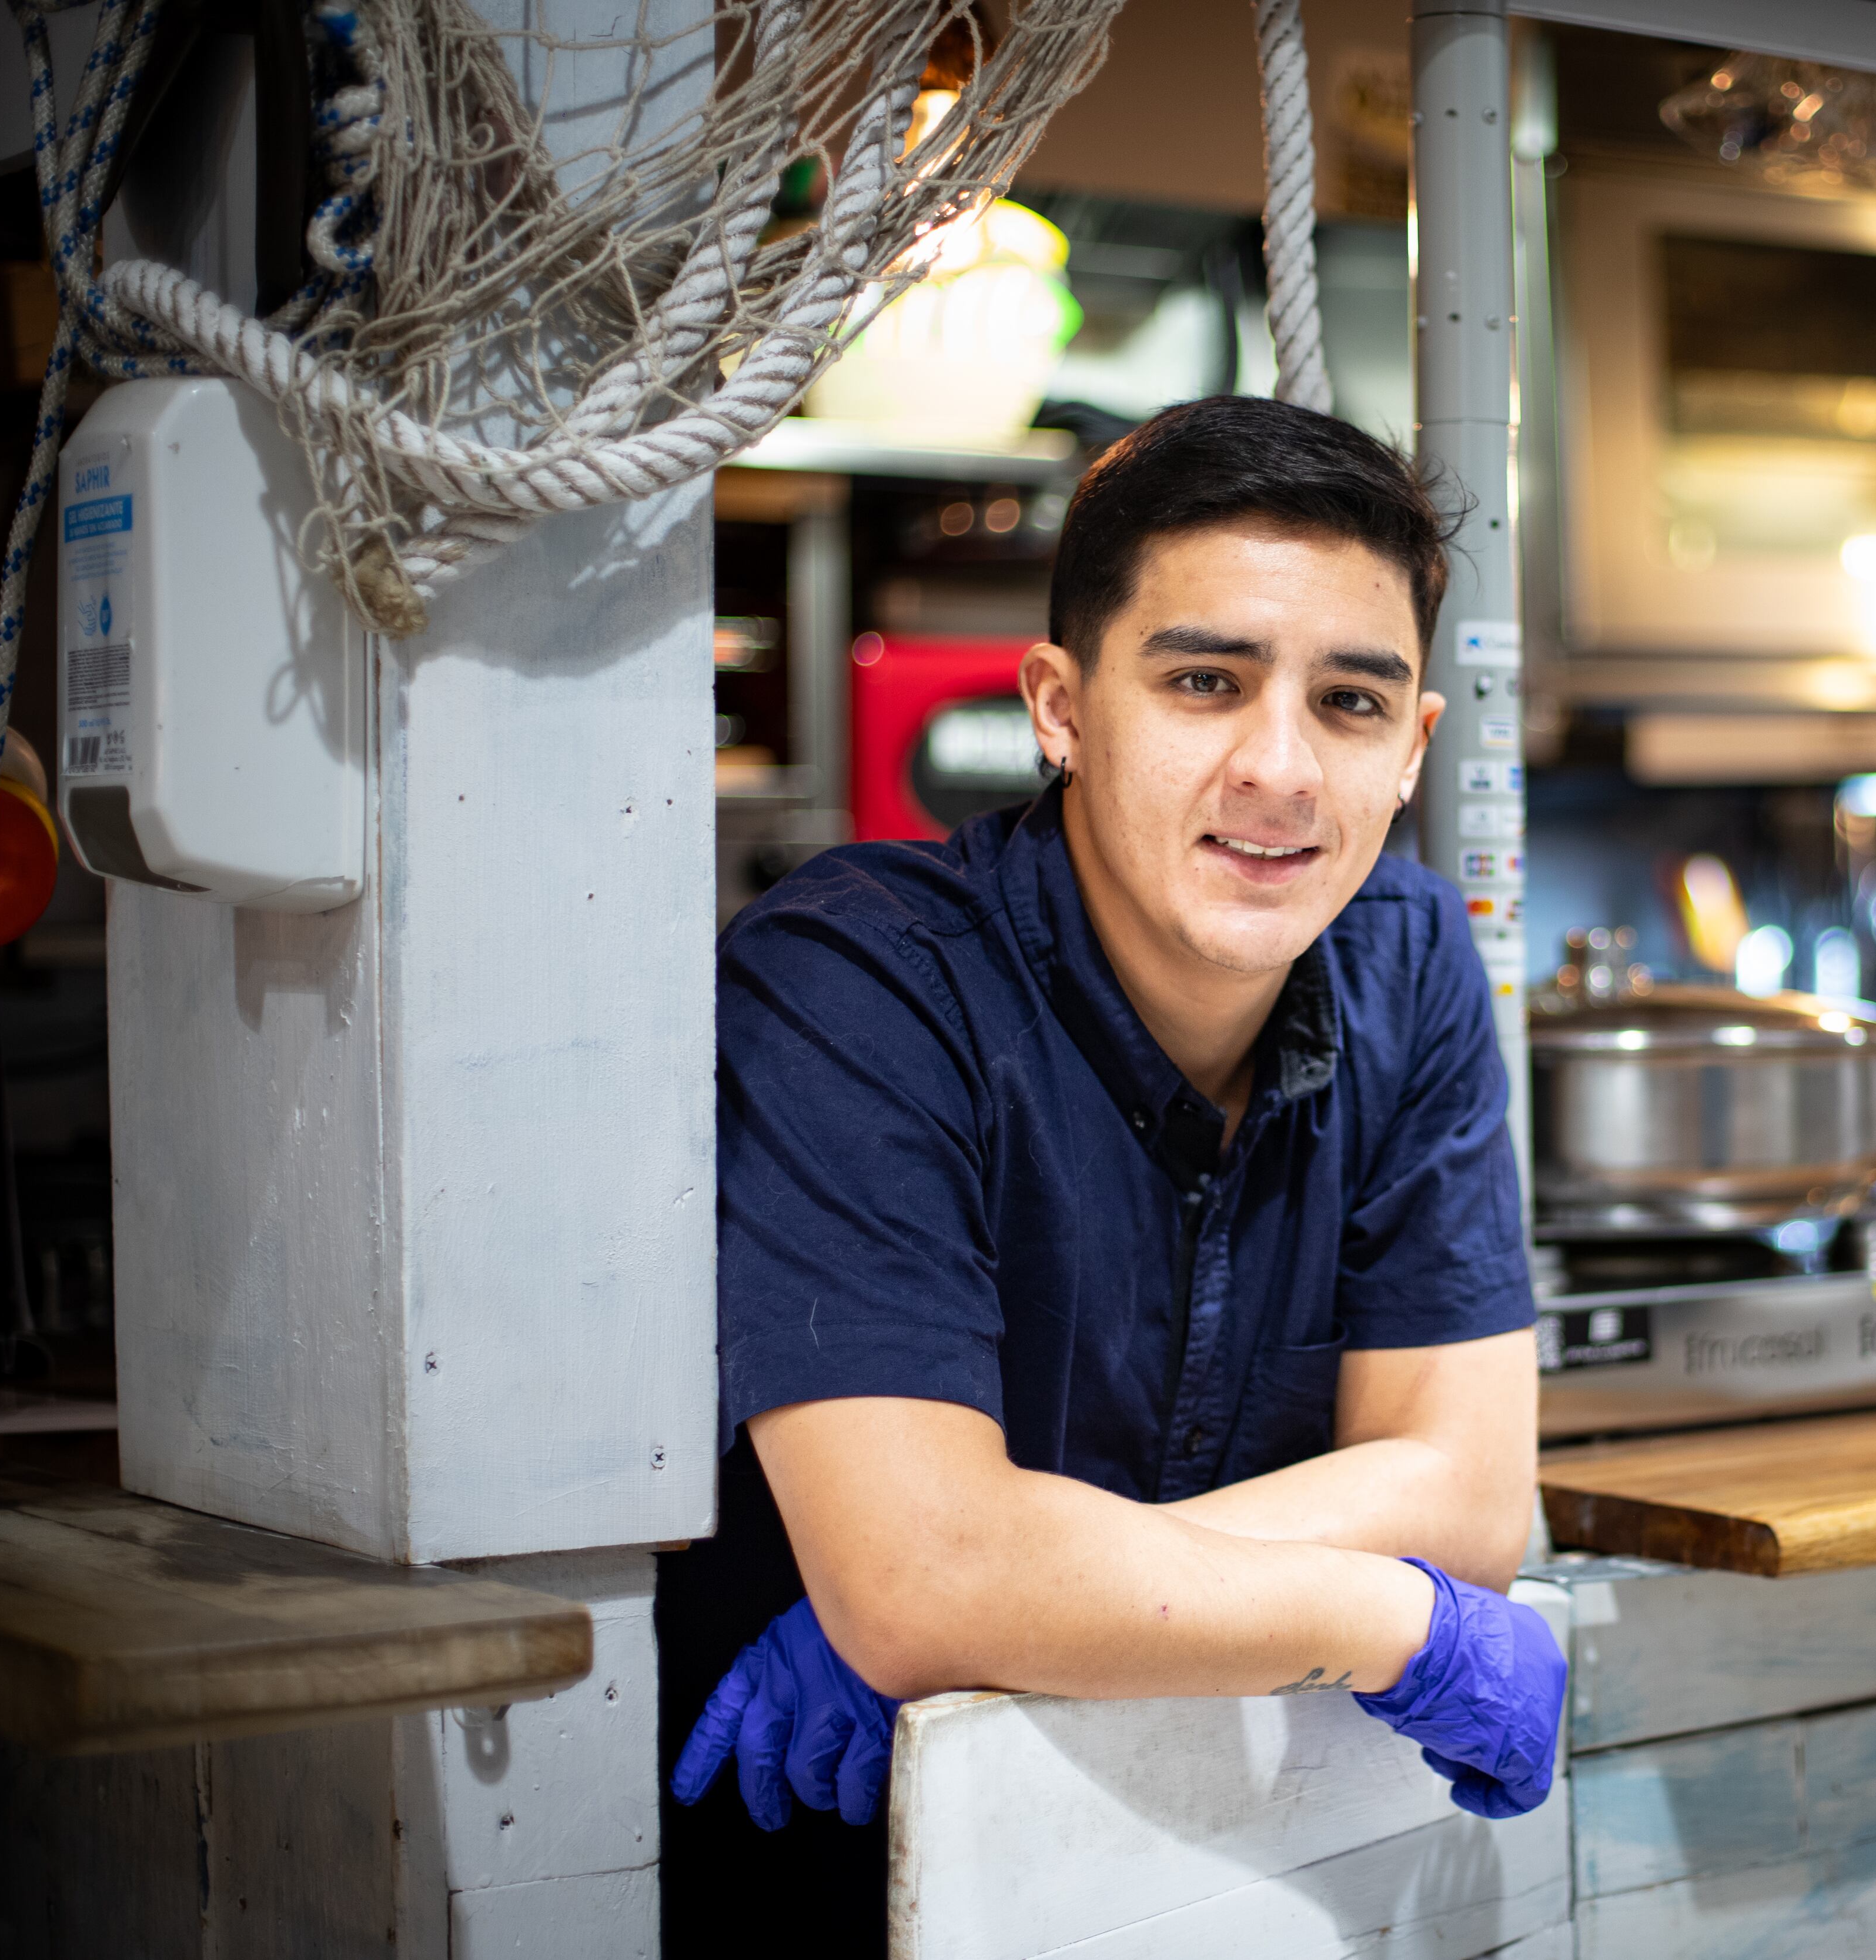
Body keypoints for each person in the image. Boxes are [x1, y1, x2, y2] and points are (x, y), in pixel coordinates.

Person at [657, 395, 1560, 1946]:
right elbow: (927, 1577)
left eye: (1350, 704)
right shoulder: (858, 978)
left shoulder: (1409, 965)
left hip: (1200, 1885)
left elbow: (1471, 1495)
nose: (1281, 771)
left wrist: (988, 1586)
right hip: (825, 1877)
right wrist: (1387, 1616)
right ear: (1061, 709)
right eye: (1205, 681)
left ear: (1414, 746)